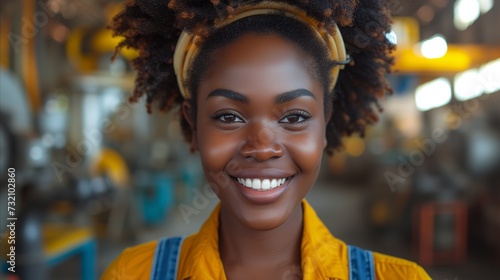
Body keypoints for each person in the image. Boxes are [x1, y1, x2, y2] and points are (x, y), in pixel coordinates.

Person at [103, 0, 431, 279]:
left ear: (324, 126)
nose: (262, 147)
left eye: (295, 117)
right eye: (228, 117)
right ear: (195, 125)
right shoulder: (131, 273)